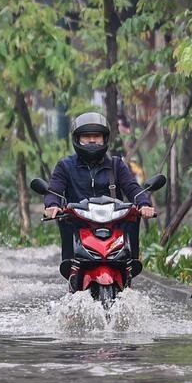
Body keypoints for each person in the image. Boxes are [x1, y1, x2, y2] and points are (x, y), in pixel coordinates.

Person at [43, 111, 156, 267]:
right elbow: (54, 190)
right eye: (86, 136)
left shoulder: (116, 165)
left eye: (97, 136)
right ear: (77, 139)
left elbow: (133, 188)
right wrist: (52, 205)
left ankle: (129, 266)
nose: (92, 140)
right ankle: (72, 268)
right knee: (66, 224)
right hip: (78, 225)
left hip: (114, 226)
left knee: (132, 218)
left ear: (104, 138)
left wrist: (144, 204)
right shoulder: (65, 166)